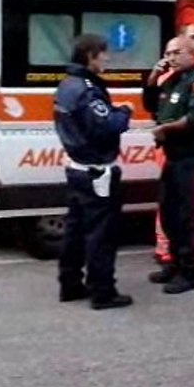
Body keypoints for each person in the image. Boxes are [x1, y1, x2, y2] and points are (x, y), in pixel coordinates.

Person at [54, 34, 134, 310]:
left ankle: (70, 284)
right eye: (104, 54)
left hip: (76, 168)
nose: (107, 59)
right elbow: (106, 126)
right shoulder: (87, 89)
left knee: (74, 231)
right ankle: (103, 292)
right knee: (101, 234)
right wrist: (125, 112)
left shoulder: (66, 86)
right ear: (90, 56)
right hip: (97, 172)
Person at [143, 36, 194, 294]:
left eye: (176, 52)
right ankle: (174, 263)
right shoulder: (173, 79)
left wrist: (166, 129)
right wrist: (154, 75)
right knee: (169, 214)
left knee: (187, 216)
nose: (171, 57)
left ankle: (189, 270)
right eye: (168, 53)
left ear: (191, 54)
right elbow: (151, 103)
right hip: (174, 158)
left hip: (191, 159)